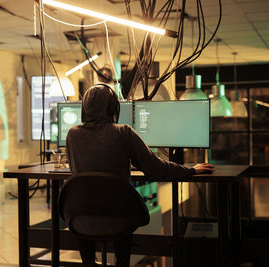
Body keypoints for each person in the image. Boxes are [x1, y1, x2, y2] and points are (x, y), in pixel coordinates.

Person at [66, 84, 214, 267]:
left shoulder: (72, 134)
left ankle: (88, 263)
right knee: (120, 207)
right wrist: (191, 169)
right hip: (119, 218)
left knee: (89, 204)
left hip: (81, 219)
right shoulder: (123, 132)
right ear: (114, 109)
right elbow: (156, 169)